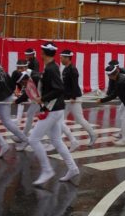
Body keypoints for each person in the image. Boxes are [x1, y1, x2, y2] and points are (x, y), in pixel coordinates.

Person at [25, 42, 79, 185]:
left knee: (33, 140)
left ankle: (47, 169)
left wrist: (42, 98)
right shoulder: (51, 67)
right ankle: (72, 168)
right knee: (57, 141)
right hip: (56, 109)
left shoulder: (52, 69)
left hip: (53, 109)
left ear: (43, 53)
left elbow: (59, 89)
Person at [60, 49, 97, 148]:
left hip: (74, 99)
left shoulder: (72, 69)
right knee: (59, 119)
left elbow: (75, 85)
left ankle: (93, 135)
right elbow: (65, 85)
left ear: (67, 58)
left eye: (62, 57)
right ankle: (57, 140)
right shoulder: (65, 69)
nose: (61, 59)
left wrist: (73, 97)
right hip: (67, 99)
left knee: (80, 119)